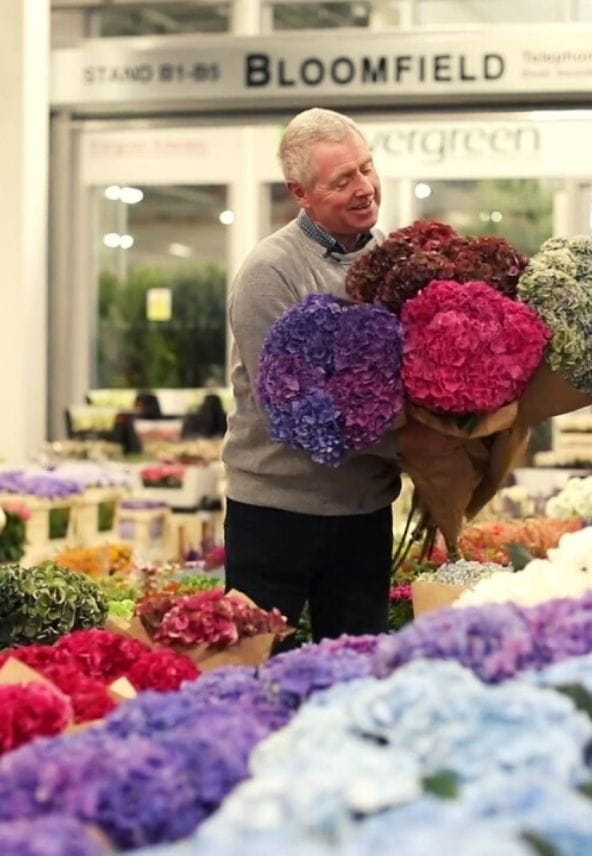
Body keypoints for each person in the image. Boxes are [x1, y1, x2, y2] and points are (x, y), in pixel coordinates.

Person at [222, 107, 397, 642]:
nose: (364, 187)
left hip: (365, 510)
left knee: (355, 670)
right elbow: (293, 412)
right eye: (343, 180)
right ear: (300, 193)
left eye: (366, 168)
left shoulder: (391, 255)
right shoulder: (270, 270)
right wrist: (414, 442)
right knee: (257, 672)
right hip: (278, 514)